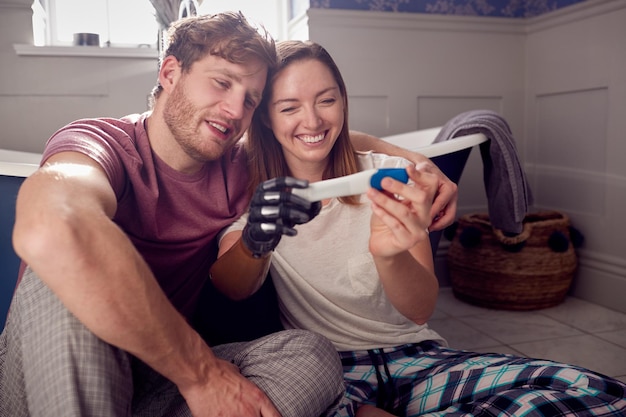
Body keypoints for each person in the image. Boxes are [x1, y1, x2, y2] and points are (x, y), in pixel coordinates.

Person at [0, 12, 460, 417]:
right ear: (170, 71)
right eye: (221, 82)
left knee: (310, 355)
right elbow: (50, 230)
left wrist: (422, 165)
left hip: (159, 381)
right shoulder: (101, 145)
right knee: (62, 277)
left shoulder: (241, 166)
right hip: (61, 366)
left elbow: (316, 131)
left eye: (252, 98)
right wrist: (201, 375)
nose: (235, 109)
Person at [210, 40, 626, 417]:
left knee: (587, 391)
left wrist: (390, 255)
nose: (313, 119)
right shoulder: (254, 193)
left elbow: (420, 307)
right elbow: (231, 284)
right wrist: (256, 240)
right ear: (265, 118)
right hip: (330, 374)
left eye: (327, 100)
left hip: (416, 357)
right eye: (289, 108)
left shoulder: (391, 177)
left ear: (343, 100)